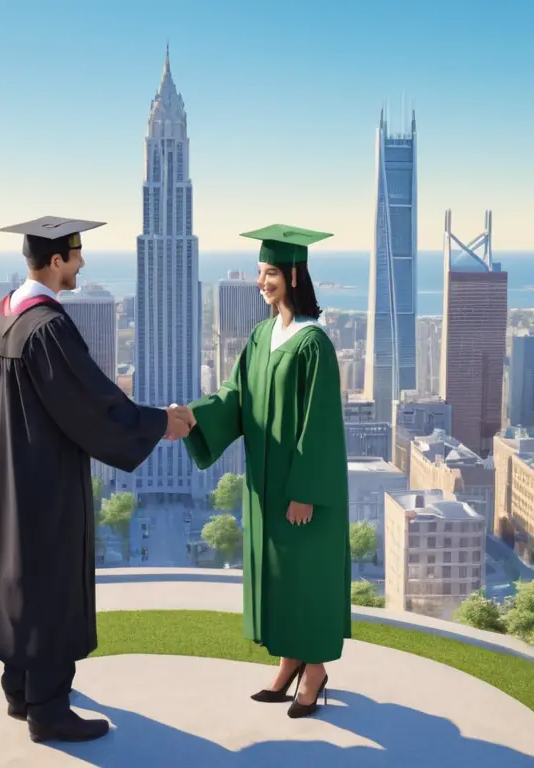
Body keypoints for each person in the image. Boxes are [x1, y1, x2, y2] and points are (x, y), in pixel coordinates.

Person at [0, 216, 193, 743]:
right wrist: (161, 422)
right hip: (44, 480)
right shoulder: (46, 328)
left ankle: (19, 692)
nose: (82, 263)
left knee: (16, 579)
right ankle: (48, 712)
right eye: (75, 255)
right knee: (50, 583)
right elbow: (92, 405)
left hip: (3, 476)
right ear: (55, 261)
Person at [178, 223, 350, 719]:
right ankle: (289, 660)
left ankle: (314, 670)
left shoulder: (313, 344)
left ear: (294, 275)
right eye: (259, 272)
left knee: (305, 577)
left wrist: (305, 491)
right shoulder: (262, 336)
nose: (261, 282)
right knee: (277, 576)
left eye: (270, 272)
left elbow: (319, 425)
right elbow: (236, 396)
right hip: (264, 487)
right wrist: (193, 416)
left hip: (301, 490)